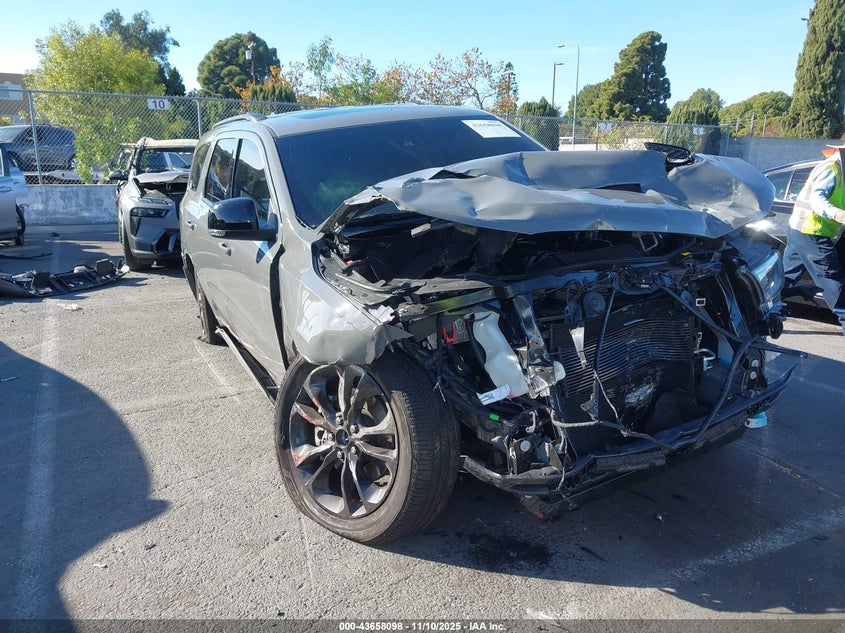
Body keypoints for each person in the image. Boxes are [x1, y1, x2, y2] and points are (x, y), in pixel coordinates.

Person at [782, 142, 845, 334]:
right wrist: (837, 214)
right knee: (832, 279)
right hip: (812, 231)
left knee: (786, 277)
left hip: (802, 229)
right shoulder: (832, 168)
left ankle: (760, 311)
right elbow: (817, 199)